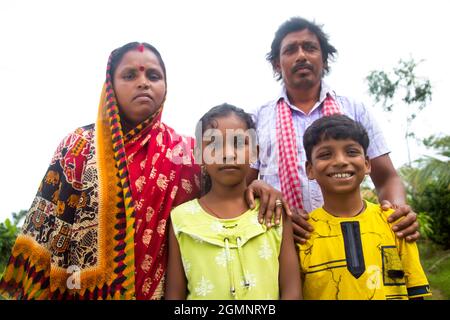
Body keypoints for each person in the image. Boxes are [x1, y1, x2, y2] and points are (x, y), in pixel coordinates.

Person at [0, 42, 287, 300]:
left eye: (153, 76)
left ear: (165, 85)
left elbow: (226, 191)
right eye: (129, 76)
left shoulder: (186, 153)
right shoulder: (78, 146)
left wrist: (256, 186)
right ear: (110, 85)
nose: (143, 83)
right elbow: (45, 228)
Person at [247, 17, 420, 244]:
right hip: (281, 242)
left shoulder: (354, 110)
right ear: (277, 64)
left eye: (310, 48)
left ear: (325, 60)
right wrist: (256, 187)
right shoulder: (256, 118)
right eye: (290, 50)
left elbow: (387, 178)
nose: (301, 55)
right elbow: (241, 185)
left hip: (353, 241)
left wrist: (397, 213)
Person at [165, 104, 301, 300]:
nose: (228, 153)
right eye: (214, 144)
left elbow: (292, 291)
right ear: (199, 154)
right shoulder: (181, 218)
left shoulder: (272, 211)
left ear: (254, 152)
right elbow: (175, 295)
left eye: (238, 143)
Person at [299, 114, 431, 299]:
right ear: (310, 169)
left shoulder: (395, 223)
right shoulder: (302, 233)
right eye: (325, 154)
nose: (340, 161)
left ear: (367, 164)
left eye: (351, 152)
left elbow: (416, 292)